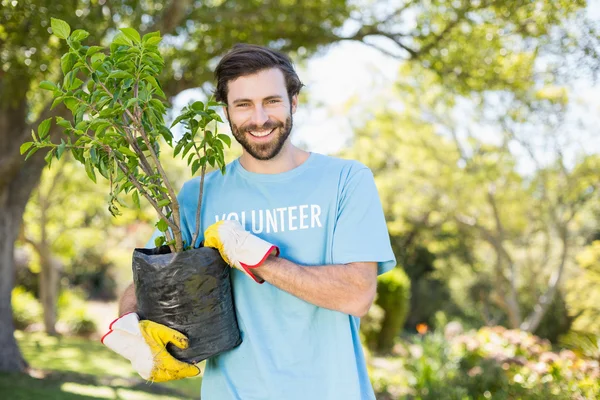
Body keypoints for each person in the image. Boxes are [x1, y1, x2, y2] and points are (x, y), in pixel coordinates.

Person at [102, 43, 396, 399]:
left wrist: (260, 260)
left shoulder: (346, 180)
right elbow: (146, 285)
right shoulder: (198, 196)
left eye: (271, 101)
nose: (259, 118)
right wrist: (133, 328)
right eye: (243, 105)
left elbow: (357, 294)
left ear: (294, 101)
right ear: (226, 111)